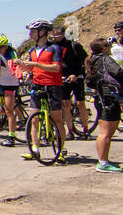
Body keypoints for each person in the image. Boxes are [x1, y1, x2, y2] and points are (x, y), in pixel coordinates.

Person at [18, 19, 66, 164]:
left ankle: (60, 150)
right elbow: (33, 69)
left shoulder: (54, 48)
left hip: (53, 86)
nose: (30, 34)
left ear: (42, 32)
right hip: (37, 85)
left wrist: (35, 64)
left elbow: (56, 68)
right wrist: (22, 65)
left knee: (57, 119)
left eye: (33, 31)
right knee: (34, 119)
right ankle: (35, 149)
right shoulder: (32, 50)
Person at [85, 39, 122, 171]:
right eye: (108, 45)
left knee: (103, 131)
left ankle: (103, 160)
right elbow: (118, 72)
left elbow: (89, 82)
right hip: (109, 96)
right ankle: (103, 163)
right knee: (106, 132)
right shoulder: (106, 59)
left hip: (100, 97)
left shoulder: (92, 60)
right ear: (104, 48)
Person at [49, 24, 91, 140]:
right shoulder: (53, 47)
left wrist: (76, 74)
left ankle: (86, 129)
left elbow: (85, 61)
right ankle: (70, 131)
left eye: (56, 36)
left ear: (63, 35)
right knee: (66, 105)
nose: (54, 38)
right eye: (53, 36)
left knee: (80, 103)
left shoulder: (74, 45)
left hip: (77, 77)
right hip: (62, 78)